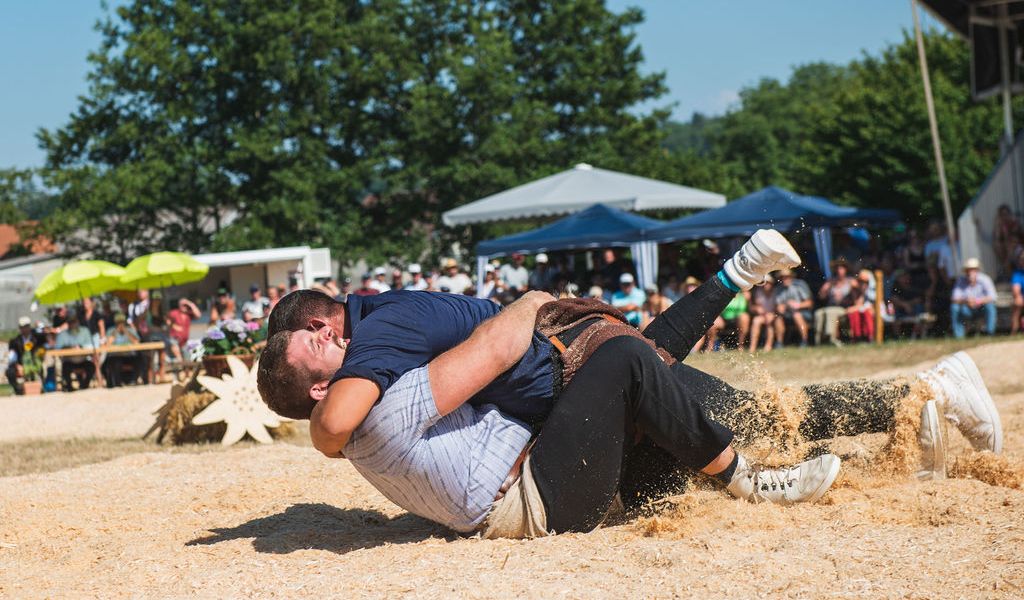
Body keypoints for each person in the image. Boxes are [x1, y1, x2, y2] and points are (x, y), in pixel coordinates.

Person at [263, 264, 1002, 538]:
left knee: (700, 403)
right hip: (544, 493)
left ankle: (912, 409)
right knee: (631, 360)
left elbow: (331, 427)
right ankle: (750, 472)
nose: (335, 341)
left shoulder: (373, 401)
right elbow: (489, 351)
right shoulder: (376, 407)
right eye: (317, 349)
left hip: (561, 462)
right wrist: (532, 301)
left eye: (324, 335)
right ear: (324, 384)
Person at [951, 258, 997, 339]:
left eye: (973, 270)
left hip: (981, 308)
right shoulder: (960, 281)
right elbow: (954, 298)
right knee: (954, 307)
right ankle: (959, 336)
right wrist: (966, 301)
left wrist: (977, 301)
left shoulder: (985, 279)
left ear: (977, 270)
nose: (970, 272)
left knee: (990, 306)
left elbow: (993, 296)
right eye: (968, 270)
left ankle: (990, 333)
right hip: (966, 308)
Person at [815, 260, 854, 346]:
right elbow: (821, 297)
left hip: (844, 308)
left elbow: (856, 297)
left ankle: (832, 338)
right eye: (837, 268)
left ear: (845, 269)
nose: (839, 270)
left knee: (830, 312)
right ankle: (818, 340)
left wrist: (846, 299)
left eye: (841, 268)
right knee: (818, 313)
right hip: (831, 306)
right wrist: (824, 290)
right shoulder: (831, 282)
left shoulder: (851, 282)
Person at [55, 311, 96, 391]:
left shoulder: (85, 331)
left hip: (83, 359)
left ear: (78, 322)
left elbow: (90, 346)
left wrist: (80, 347)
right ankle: (70, 388)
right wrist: (69, 347)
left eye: (74, 321)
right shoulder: (62, 334)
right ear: (68, 323)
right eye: (70, 322)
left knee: (91, 367)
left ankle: (84, 386)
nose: (73, 324)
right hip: (69, 361)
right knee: (65, 368)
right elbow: (58, 349)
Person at [773, 268, 813, 347]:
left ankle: (804, 341)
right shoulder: (778, 289)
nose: (784, 279)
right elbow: (777, 306)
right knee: (778, 318)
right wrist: (779, 308)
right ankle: (779, 343)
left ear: (791, 277)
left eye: (787, 277)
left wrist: (798, 305)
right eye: (782, 277)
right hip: (787, 313)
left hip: (803, 312)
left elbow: (810, 303)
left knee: (796, 315)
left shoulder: (800, 285)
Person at [5, 316, 45, 395]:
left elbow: (45, 334)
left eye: (26, 326)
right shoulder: (15, 341)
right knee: (10, 371)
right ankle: (18, 390)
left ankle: (42, 388)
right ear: (20, 328)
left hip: (36, 364)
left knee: (43, 367)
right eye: (22, 327)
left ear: (30, 326)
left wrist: (40, 325)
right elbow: (12, 356)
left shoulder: (37, 338)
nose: (25, 329)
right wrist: (17, 365)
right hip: (22, 364)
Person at [101, 313, 142, 387]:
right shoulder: (111, 331)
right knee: (115, 362)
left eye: (122, 322)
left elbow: (136, 342)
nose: (120, 324)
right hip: (116, 355)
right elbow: (107, 344)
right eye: (118, 323)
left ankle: (133, 381)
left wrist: (126, 332)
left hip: (129, 355)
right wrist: (116, 332)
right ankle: (117, 383)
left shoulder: (130, 330)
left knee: (140, 359)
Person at [748, 275, 779, 352]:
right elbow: (751, 307)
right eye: (765, 283)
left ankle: (768, 345)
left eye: (768, 283)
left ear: (772, 283)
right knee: (756, 321)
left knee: (769, 321)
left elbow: (779, 307)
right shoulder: (757, 292)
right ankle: (752, 347)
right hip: (762, 316)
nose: (766, 284)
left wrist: (773, 314)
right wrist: (756, 308)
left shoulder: (776, 292)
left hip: (774, 315)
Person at [994, 204, 1023, 278]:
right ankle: (1012, 279)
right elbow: (998, 239)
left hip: (1018, 250)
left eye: (1006, 214)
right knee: (1007, 262)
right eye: (1002, 215)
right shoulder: (1001, 227)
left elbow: (1016, 238)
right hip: (1008, 253)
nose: (1004, 217)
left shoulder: (1014, 223)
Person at [847, 269, 876, 342]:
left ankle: (869, 336)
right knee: (854, 314)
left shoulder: (872, 291)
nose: (862, 284)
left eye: (865, 282)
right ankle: (857, 337)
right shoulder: (857, 290)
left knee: (866, 312)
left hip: (872, 310)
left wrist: (855, 308)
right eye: (860, 281)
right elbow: (857, 303)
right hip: (861, 310)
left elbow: (870, 305)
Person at [1012, 252, 1024, 335]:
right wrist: (1018, 297)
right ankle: (1014, 331)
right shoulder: (1018, 274)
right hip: (1022, 298)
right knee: (1017, 301)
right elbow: (1016, 290)